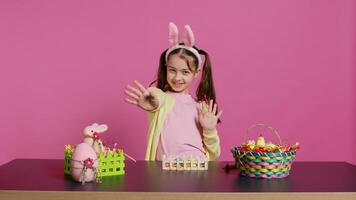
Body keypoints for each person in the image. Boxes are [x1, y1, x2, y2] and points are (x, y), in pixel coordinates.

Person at [124, 22, 222, 161]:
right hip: (165, 172)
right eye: (172, 70)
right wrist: (153, 102)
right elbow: (157, 96)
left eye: (185, 72)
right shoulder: (161, 100)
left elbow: (214, 153)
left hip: (196, 171)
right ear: (166, 68)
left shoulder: (201, 107)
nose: (177, 77)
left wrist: (210, 130)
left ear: (196, 72)